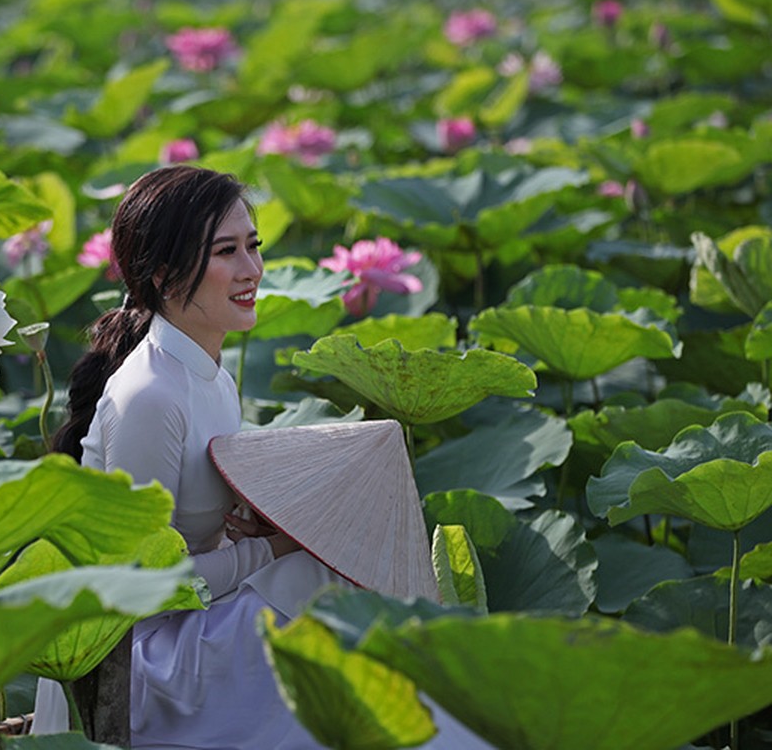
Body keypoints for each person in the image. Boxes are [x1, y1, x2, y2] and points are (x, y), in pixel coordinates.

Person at [32, 165, 491, 749]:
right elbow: (139, 591)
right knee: (320, 582)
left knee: (332, 567)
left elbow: (205, 536)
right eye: (226, 252)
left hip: (195, 624)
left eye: (253, 246)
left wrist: (270, 527)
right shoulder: (149, 396)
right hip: (141, 666)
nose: (252, 271)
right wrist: (267, 550)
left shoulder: (212, 380)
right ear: (164, 275)